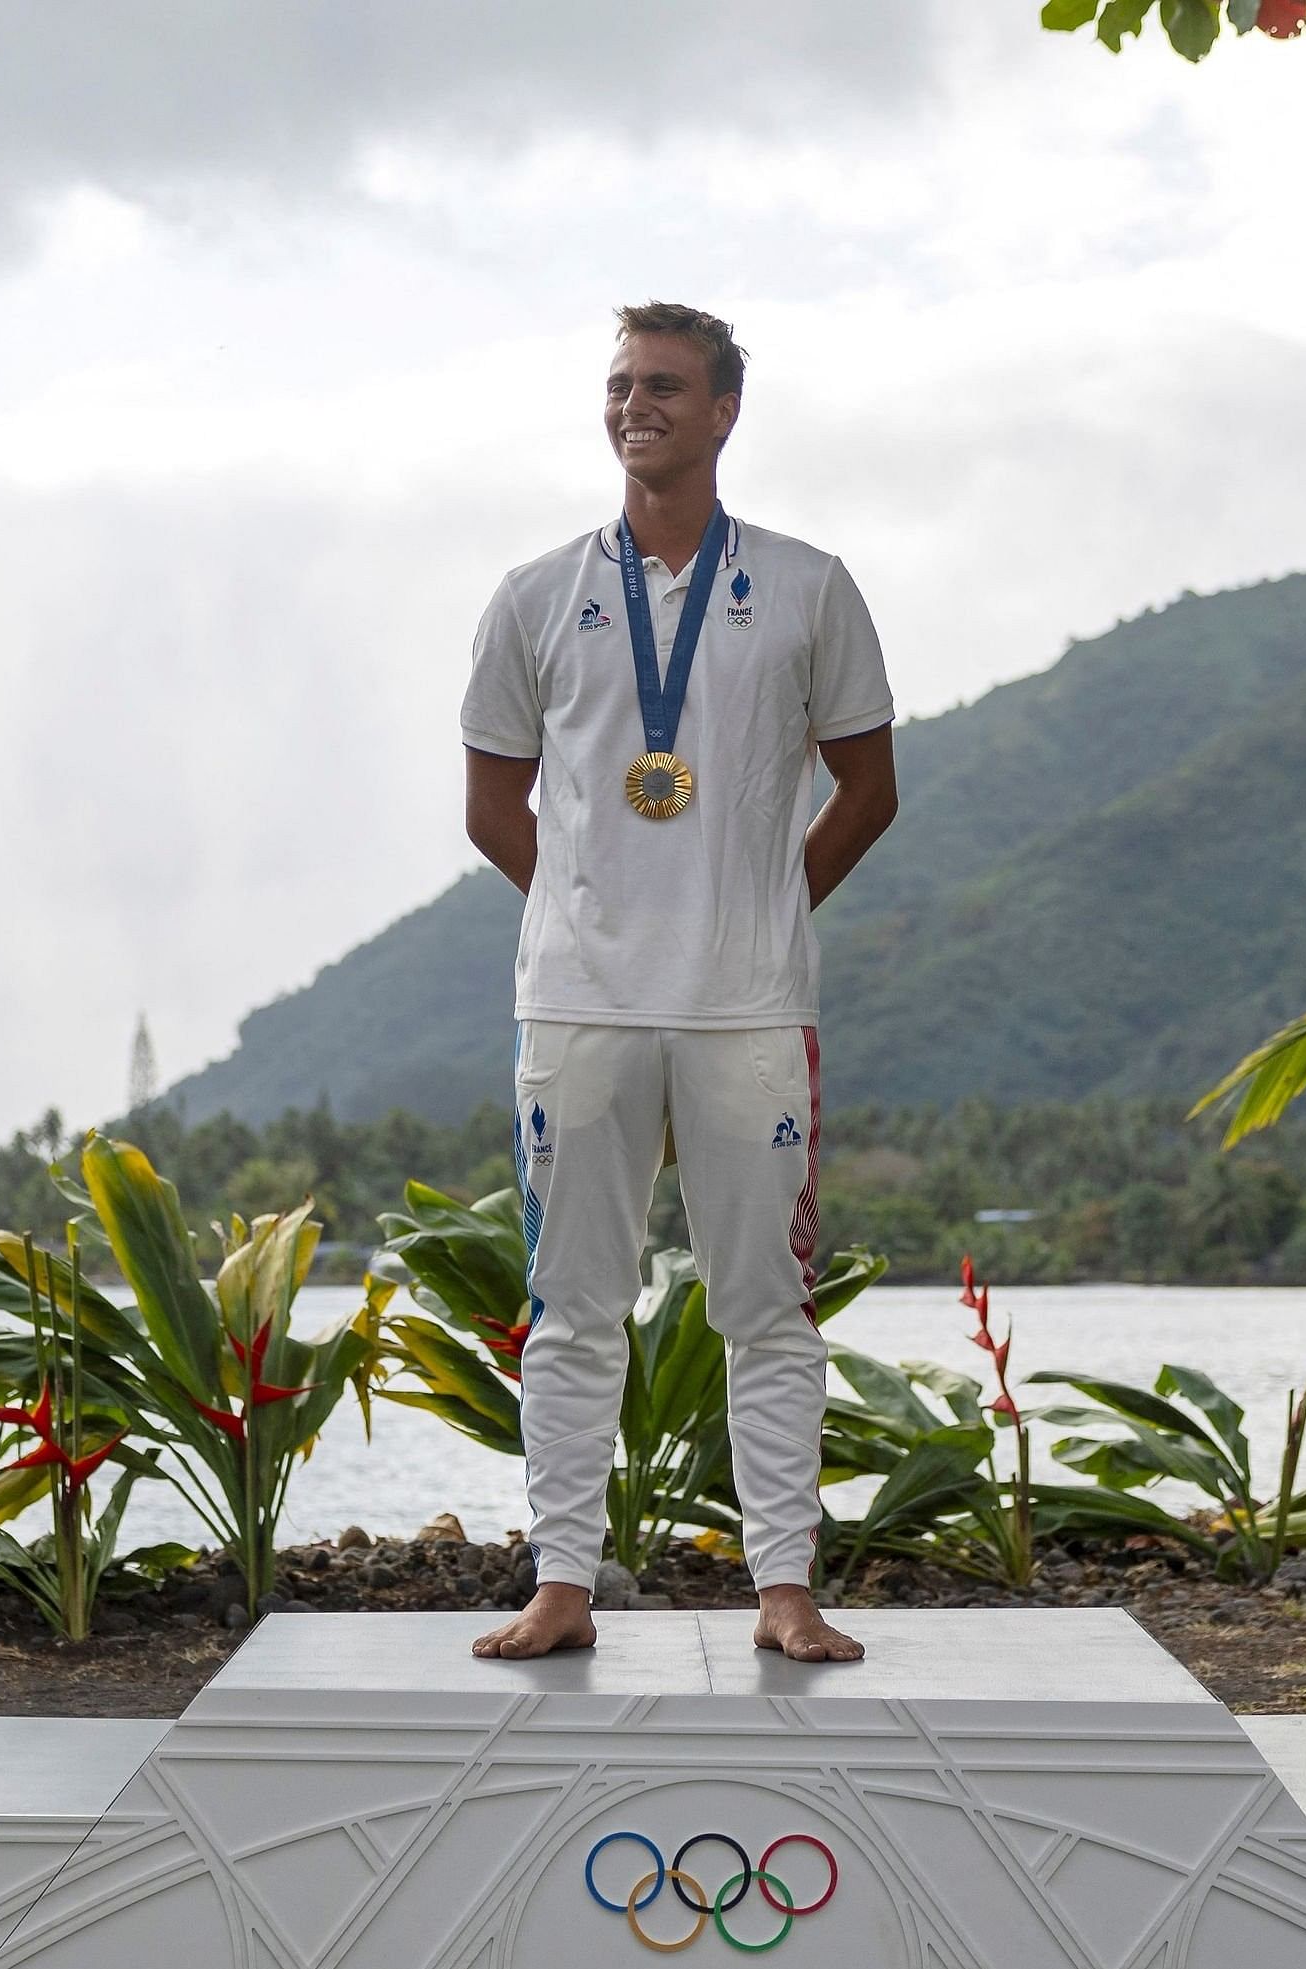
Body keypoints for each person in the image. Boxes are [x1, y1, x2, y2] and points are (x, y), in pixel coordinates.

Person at [459, 303, 898, 1664]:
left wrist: (754, 911)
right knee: (575, 1304)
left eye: (665, 385)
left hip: (749, 1012)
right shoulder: (536, 594)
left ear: (724, 413)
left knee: (765, 1304)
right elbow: (491, 802)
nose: (636, 405)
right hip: (579, 1009)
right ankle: (562, 1583)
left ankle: (784, 1589)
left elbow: (869, 788)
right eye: (620, 385)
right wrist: (591, 914)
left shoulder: (810, 584)